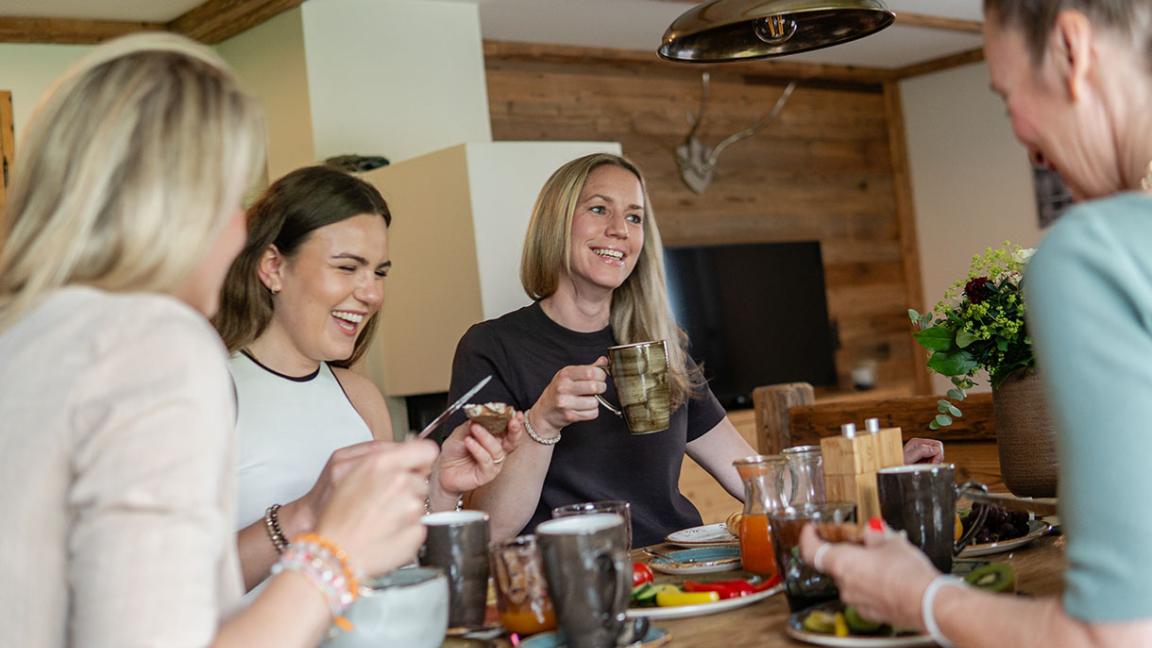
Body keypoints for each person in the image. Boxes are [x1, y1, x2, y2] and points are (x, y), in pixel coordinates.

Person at [0, 34, 437, 647]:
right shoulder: (156, 346)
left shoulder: (25, 335)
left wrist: (315, 516)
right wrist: (335, 555)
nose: (239, 235)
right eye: (231, 201)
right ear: (172, 205)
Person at [800, 1, 1152, 646]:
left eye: (1007, 95)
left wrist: (919, 598)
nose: (1027, 142)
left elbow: (1115, 637)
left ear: (1072, 49)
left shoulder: (1094, 252)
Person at [445, 153, 943, 546]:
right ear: (556, 221)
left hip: (679, 567)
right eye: (599, 209)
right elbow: (491, 530)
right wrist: (543, 422)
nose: (620, 229)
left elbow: (754, 478)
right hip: (572, 581)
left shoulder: (663, 347)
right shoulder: (493, 347)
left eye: (635, 217)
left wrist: (876, 474)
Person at [214, 165, 523, 591]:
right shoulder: (211, 391)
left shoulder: (361, 398)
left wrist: (441, 488)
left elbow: (396, 565)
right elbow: (174, 587)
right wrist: (306, 513)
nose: (373, 294)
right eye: (347, 267)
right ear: (273, 266)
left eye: (379, 272)